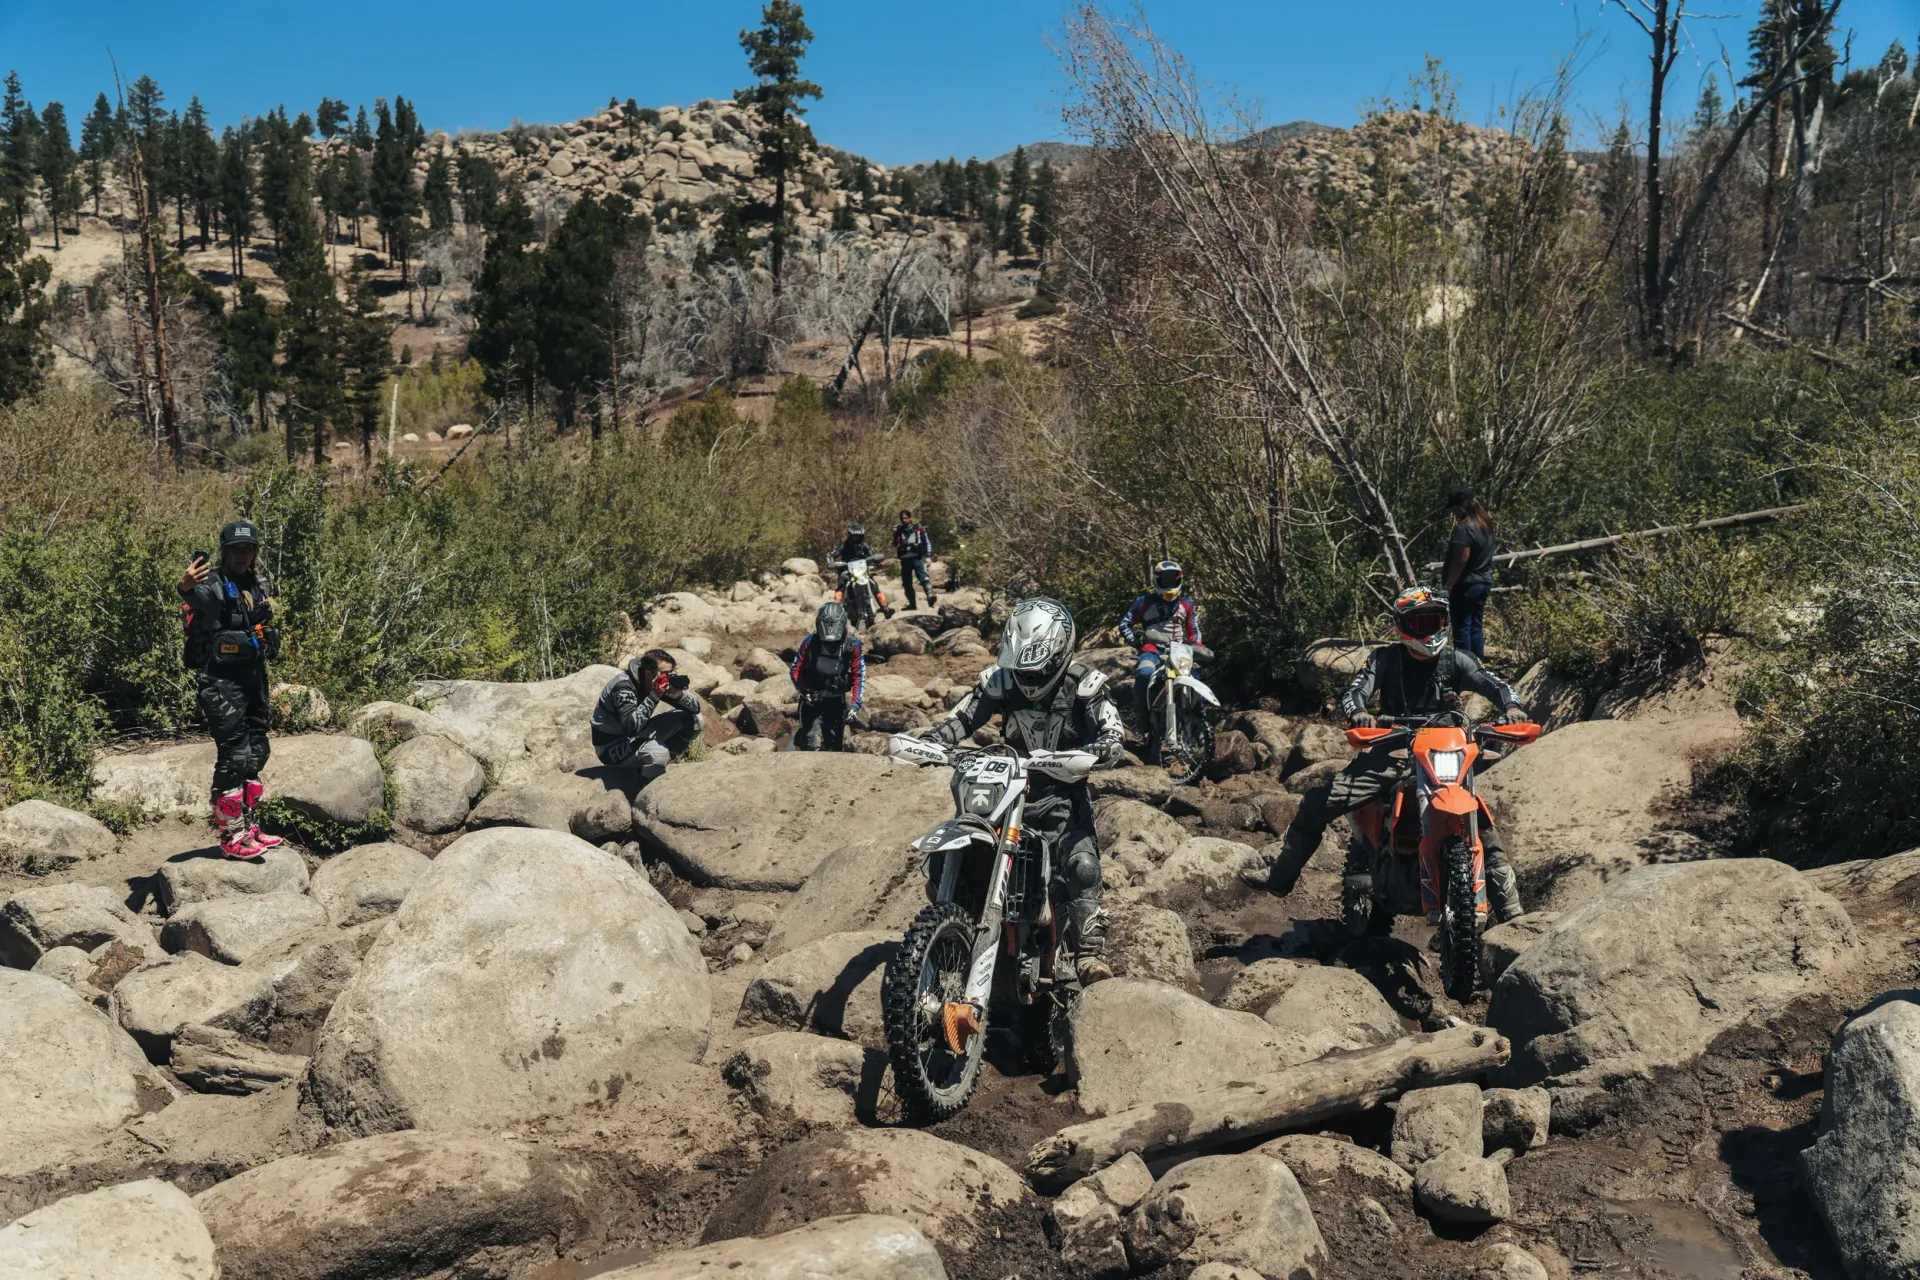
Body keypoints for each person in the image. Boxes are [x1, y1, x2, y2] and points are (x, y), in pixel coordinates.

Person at [1252, 586, 1529, 923]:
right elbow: (1356, 691)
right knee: (1317, 802)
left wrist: (1513, 707)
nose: (1428, 630)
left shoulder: (1457, 660)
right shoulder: (1384, 659)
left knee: (1480, 820)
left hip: (1447, 752)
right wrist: (1359, 715)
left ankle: (1513, 914)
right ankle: (1280, 879)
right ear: (1402, 626)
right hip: (1392, 752)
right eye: (1419, 623)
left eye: (1435, 620)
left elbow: (1494, 683)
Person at [925, 597, 1125, 984]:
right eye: (1022, 670)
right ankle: (950, 927)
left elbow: (1112, 730)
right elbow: (963, 717)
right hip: (1005, 788)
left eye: (1038, 670)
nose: (1028, 679)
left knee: (1082, 866)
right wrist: (935, 739)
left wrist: (1104, 748)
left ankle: (1088, 952)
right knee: (950, 849)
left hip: (1061, 796)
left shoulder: (1086, 684)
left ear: (1060, 653)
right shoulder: (1000, 679)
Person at [177, 520, 284, 860]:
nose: (242, 555)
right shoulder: (213, 583)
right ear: (224, 551)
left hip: (253, 676)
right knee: (234, 753)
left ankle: (249, 829)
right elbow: (195, 596)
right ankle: (230, 835)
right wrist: (184, 587)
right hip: (221, 680)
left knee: (256, 751)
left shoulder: (256, 583)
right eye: (236, 550)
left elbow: (259, 621)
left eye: (248, 549)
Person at [1117, 560, 1203, 759]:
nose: (1169, 582)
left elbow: (1194, 630)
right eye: (1165, 579)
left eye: (1173, 578)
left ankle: (1198, 727)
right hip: (1152, 650)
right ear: (1157, 579)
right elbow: (1125, 623)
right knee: (1144, 675)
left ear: (1179, 579)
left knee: (1196, 678)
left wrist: (1197, 647)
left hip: (1180, 651)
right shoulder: (1144, 601)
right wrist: (1136, 640)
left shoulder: (1186, 604)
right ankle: (1145, 727)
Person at [592, 649, 704, 784]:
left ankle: (664, 762)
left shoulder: (656, 681)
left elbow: (695, 708)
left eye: (670, 673)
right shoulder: (623, 687)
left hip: (636, 735)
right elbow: (631, 727)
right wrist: (654, 696)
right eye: (664, 674)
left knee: (695, 721)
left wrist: (676, 695)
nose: (667, 677)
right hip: (610, 746)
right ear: (648, 673)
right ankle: (643, 788)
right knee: (658, 754)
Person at [790, 601, 866, 751]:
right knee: (812, 743)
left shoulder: (852, 645)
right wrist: (805, 691)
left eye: (834, 643)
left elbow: (859, 676)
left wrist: (855, 705)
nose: (831, 646)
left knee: (834, 747)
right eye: (827, 642)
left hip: (836, 703)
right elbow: (795, 670)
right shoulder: (810, 642)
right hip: (811, 702)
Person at [1442, 486, 1497, 658]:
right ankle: (1477, 667)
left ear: (1463, 505)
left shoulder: (1465, 529)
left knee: (1462, 629)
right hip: (1483, 582)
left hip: (1465, 585)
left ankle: (1464, 668)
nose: (1453, 512)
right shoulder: (1486, 526)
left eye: (1454, 507)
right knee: (1475, 627)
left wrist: (1449, 586)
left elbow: (1461, 559)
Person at [829, 521, 894, 619]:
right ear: (850, 535)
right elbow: (832, 555)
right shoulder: (844, 545)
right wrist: (832, 562)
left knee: (873, 585)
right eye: (854, 536)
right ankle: (836, 608)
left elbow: (872, 554)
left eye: (858, 536)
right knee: (842, 583)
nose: (856, 539)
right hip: (847, 570)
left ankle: (885, 608)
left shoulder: (864, 545)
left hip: (862, 570)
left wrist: (876, 559)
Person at [891, 509, 936, 610]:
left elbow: (926, 541)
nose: (904, 520)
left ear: (910, 518)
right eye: (902, 518)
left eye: (905, 518)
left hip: (917, 557)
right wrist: (894, 534)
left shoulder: (918, 528)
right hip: (905, 559)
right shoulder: (899, 530)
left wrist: (928, 556)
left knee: (923, 577)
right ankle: (912, 604)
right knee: (906, 582)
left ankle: (930, 596)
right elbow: (895, 544)